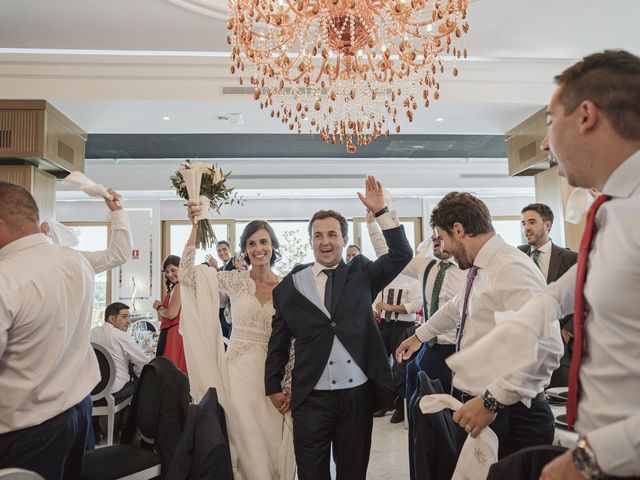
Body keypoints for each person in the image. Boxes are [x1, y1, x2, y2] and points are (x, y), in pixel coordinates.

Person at [469, 50, 640, 480]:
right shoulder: (615, 209)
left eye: (549, 121)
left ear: (585, 116)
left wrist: (588, 459)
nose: (544, 143)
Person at [265, 176, 413, 480]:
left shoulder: (363, 272)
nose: (325, 241)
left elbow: (402, 255)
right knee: (311, 473)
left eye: (332, 234)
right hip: (310, 399)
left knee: (353, 472)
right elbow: (278, 339)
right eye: (318, 236)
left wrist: (382, 212)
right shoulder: (292, 285)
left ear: (344, 239)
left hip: (356, 398)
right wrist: (272, 384)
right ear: (310, 241)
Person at [396, 192, 563, 460]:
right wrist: (419, 335)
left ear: (459, 230)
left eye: (443, 238)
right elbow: (455, 307)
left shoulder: (509, 268)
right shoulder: (482, 268)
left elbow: (547, 347)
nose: (445, 249)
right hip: (487, 409)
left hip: (511, 416)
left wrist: (491, 401)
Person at [0, 182, 131, 479]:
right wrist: (118, 215)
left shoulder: (6, 278)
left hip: (25, 430)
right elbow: (119, 255)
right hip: (78, 412)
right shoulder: (75, 261)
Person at [180, 214, 295, 480]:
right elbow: (186, 275)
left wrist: (288, 382)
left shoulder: (287, 287)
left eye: (264, 242)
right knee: (244, 442)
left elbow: (294, 338)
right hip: (238, 373)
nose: (258, 249)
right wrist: (196, 225)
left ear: (274, 246)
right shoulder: (234, 280)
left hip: (272, 377)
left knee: (270, 442)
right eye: (252, 243)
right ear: (244, 249)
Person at [369, 214, 466, 408]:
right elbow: (389, 254)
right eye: (434, 235)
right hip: (429, 348)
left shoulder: (468, 271)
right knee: (425, 412)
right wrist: (376, 220)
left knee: (457, 411)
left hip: (460, 349)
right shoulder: (424, 265)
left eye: (442, 235)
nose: (436, 238)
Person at [519, 203, 577, 386]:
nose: (526, 228)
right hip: (522, 347)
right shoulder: (516, 256)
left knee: (559, 403)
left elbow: (585, 298)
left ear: (548, 225)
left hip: (558, 347)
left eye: (532, 222)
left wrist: (567, 331)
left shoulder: (570, 259)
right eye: (523, 223)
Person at [371, 272, 422, 423]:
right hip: (384, 326)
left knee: (401, 366)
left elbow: (416, 305)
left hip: (403, 327)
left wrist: (391, 307)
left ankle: (401, 405)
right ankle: (385, 402)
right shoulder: (385, 277)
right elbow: (377, 301)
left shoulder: (413, 280)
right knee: (379, 364)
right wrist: (375, 310)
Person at [91, 302, 149, 399]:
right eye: (124, 317)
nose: (128, 321)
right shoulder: (121, 336)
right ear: (112, 319)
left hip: (93, 390)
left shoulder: (92, 332)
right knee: (144, 378)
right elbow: (143, 363)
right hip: (116, 391)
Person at [153, 255, 188, 375]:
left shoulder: (179, 286)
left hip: (174, 335)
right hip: (174, 332)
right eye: (167, 272)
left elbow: (172, 313)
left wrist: (158, 307)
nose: (170, 274)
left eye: (173, 270)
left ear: (181, 268)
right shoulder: (177, 287)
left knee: (171, 372)